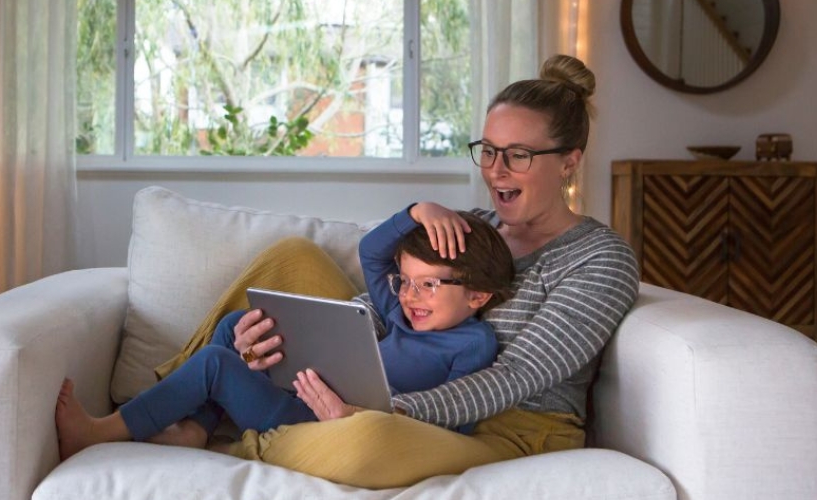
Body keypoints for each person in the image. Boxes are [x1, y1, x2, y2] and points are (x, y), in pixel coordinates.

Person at [169, 54, 640, 489]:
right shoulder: (472, 229)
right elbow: (391, 303)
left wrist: (384, 410)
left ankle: (244, 440)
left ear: (568, 163)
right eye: (489, 151)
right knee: (293, 259)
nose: (496, 171)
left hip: (510, 429)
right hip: (399, 386)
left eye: (519, 155)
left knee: (369, 441)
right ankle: (190, 411)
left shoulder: (600, 259)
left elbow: (516, 375)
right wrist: (338, 335)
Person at [55, 209, 515, 460]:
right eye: (407, 280)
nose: (412, 295)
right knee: (238, 325)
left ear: (477, 296)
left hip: (319, 423)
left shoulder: (474, 344)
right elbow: (373, 252)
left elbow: (459, 419)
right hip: (308, 391)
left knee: (217, 363)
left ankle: (103, 431)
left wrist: (379, 409)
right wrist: (417, 212)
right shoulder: (400, 310)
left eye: (429, 285)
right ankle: (198, 428)